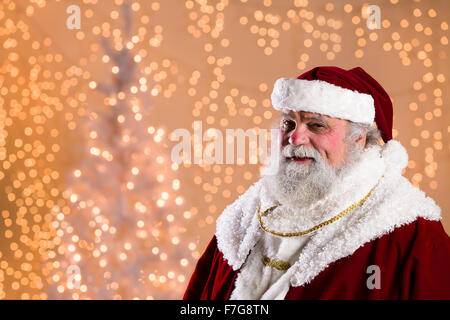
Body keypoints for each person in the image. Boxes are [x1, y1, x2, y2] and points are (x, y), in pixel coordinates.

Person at [183, 66, 450, 300]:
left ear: (358, 138)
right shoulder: (243, 221)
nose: (295, 138)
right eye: (289, 122)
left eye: (317, 126)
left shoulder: (412, 238)